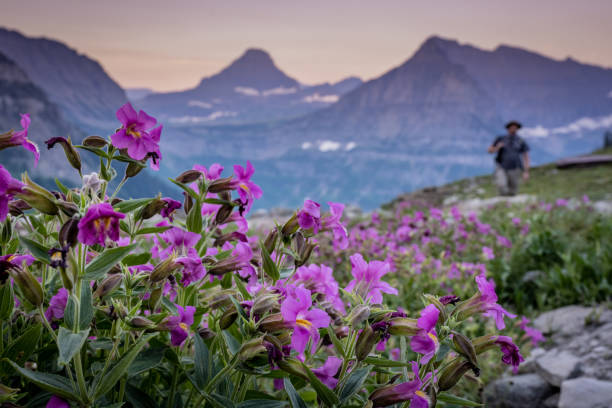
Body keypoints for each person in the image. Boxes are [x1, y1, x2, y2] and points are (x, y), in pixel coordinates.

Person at [488, 121, 530, 196]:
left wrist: (526, 171)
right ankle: (502, 200)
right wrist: (497, 147)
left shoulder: (520, 141)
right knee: (501, 184)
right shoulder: (501, 138)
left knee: (513, 191)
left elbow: (526, 156)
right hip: (501, 166)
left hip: (515, 168)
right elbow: (490, 150)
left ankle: (508, 204)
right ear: (508, 128)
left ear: (517, 129)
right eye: (512, 127)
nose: (514, 129)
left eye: (515, 128)